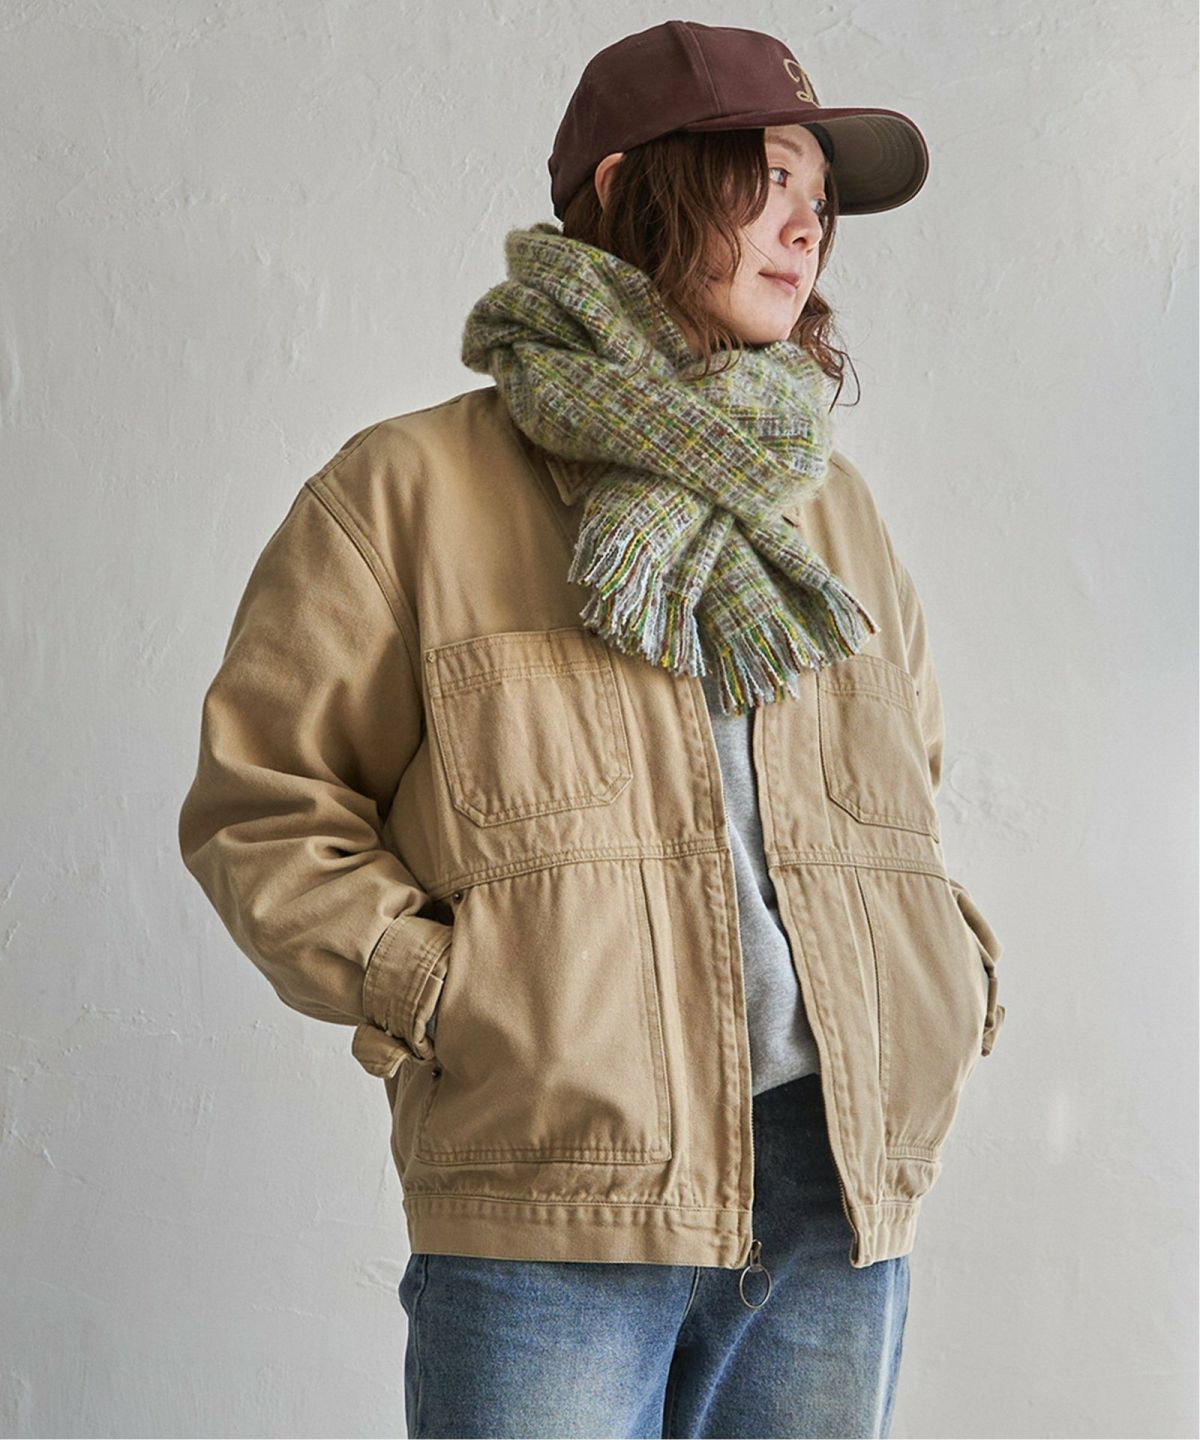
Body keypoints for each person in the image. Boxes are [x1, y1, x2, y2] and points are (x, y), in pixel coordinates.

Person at [178, 20, 1006, 1439]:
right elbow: (264, 807)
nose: (808, 223)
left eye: (821, 196)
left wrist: (952, 973)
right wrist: (454, 996)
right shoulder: (406, 493)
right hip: (554, 1201)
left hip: (837, 1192)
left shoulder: (830, 510)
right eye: (770, 175)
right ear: (631, 187)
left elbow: (904, 795)